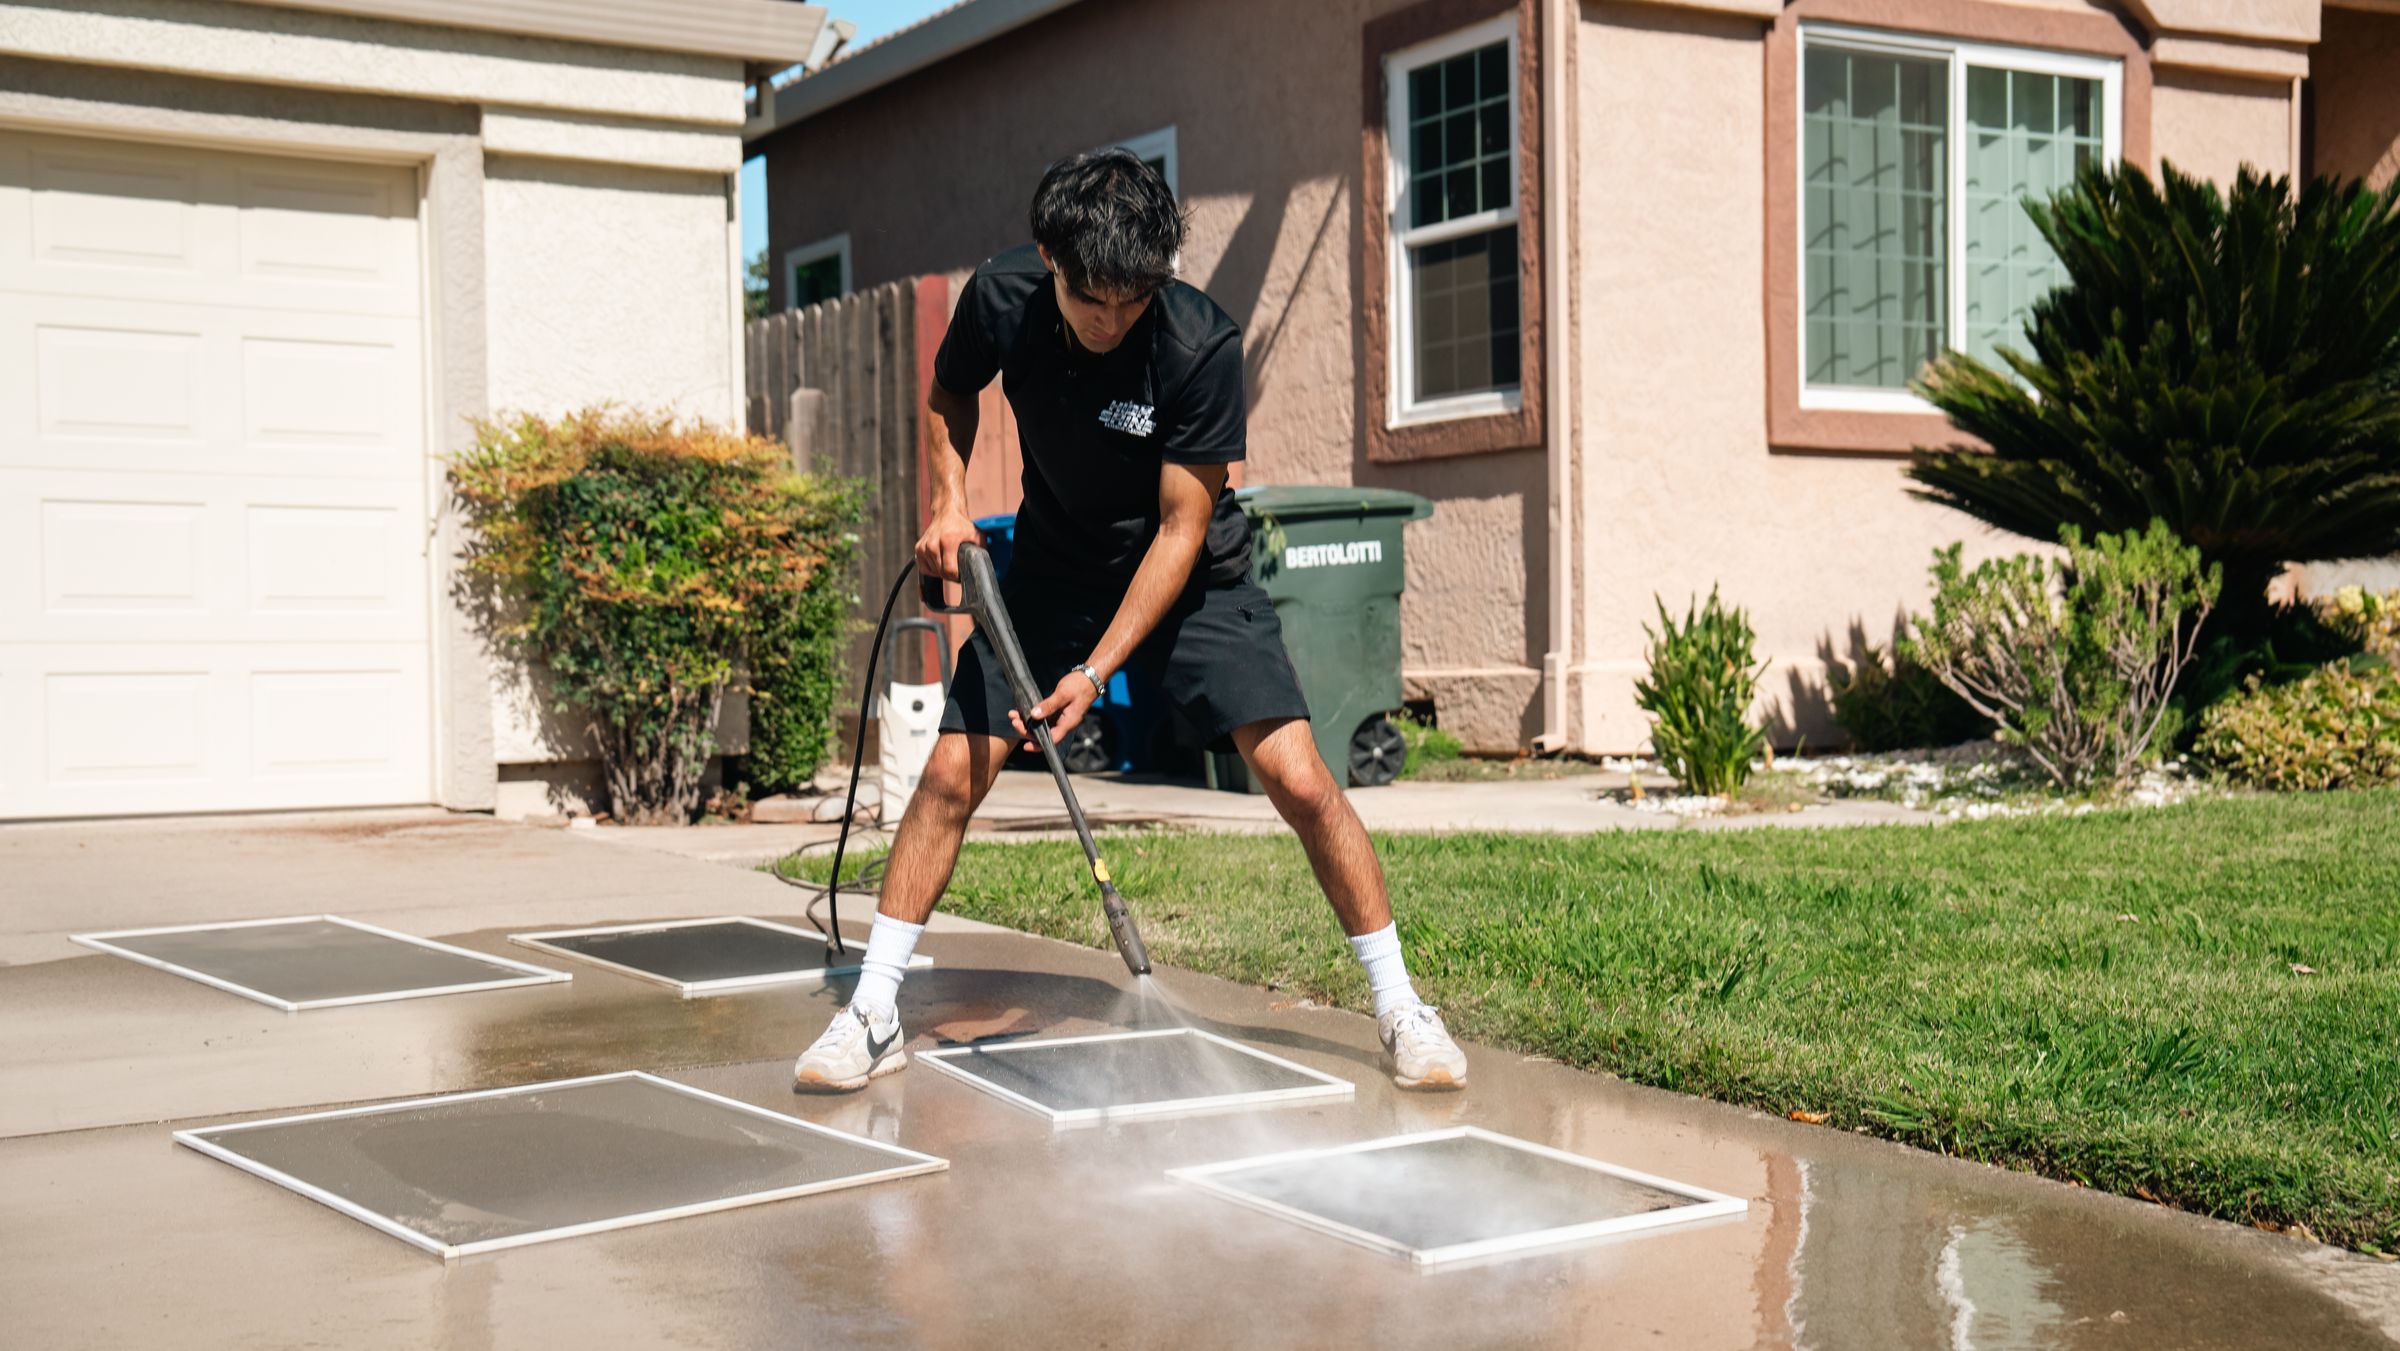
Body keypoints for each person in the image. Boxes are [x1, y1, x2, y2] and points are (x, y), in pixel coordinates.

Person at [793, 149, 1466, 1094]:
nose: (1111, 321)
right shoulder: (1002, 297)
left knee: (1302, 779)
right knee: (949, 774)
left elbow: (1182, 530)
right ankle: (871, 1012)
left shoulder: (1198, 344)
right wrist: (949, 503)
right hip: (1053, 568)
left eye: (1132, 301)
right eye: (1090, 299)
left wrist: (1095, 669)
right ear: (1048, 259)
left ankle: (1401, 1006)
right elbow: (951, 394)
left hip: (1194, 577)